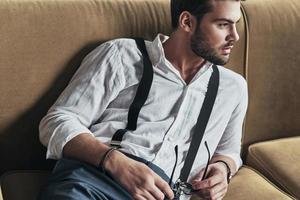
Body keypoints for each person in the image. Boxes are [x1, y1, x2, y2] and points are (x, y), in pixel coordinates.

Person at [38, 0, 248, 199]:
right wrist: (115, 162)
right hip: (93, 181)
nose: (235, 36)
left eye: (235, 25)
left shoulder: (233, 88)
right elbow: (57, 121)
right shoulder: (121, 55)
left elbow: (228, 151)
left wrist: (223, 168)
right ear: (187, 22)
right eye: (223, 25)